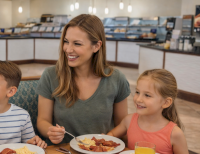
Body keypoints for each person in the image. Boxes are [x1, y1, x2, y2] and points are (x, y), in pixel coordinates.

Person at [36, 14, 130, 145]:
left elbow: (122, 127)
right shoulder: (50, 75)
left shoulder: (116, 79)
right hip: (63, 153)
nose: (68, 49)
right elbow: (42, 121)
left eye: (77, 44)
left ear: (96, 46)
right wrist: (50, 131)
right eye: (66, 41)